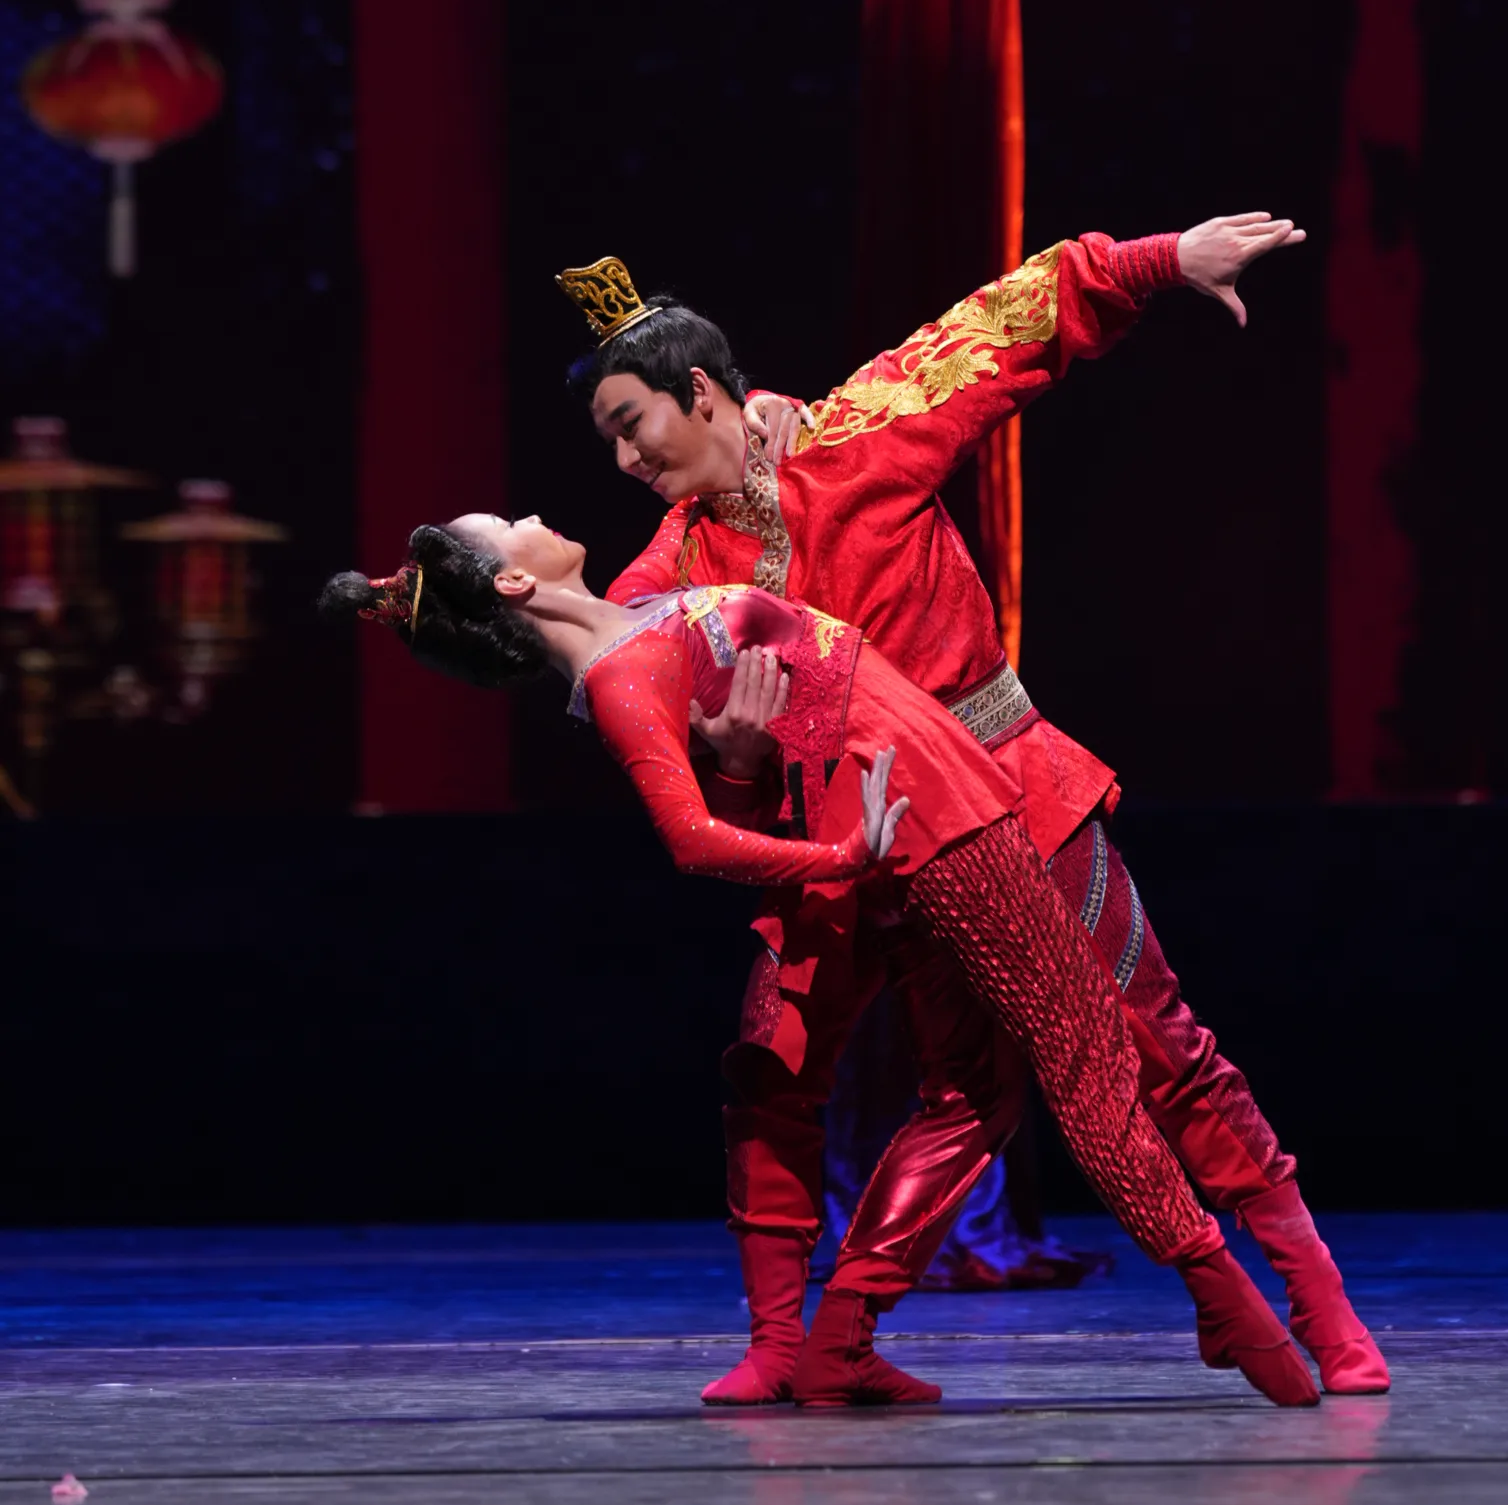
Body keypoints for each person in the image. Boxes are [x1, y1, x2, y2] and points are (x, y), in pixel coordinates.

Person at [569, 225, 1389, 1399]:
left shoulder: (859, 432)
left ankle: (1320, 1305)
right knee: (811, 1066)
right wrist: (738, 762)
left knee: (1158, 1047)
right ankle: (804, 1341)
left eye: (630, 425)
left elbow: (1007, 319)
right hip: (856, 840)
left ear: (700, 392)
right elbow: (664, 742)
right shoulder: (667, 581)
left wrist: (1165, 259)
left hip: (1007, 791)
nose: (623, 461)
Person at [321, 521, 1320, 1411]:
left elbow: (709, 503)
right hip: (922, 811)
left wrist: (760, 413)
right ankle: (1225, 1301)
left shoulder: (635, 608)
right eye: (509, 524)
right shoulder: (621, 679)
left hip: (930, 784)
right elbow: (691, 840)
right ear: (512, 581)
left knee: (988, 1085)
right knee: (1083, 1054)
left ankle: (841, 1339)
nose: (534, 514)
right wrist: (843, 855)